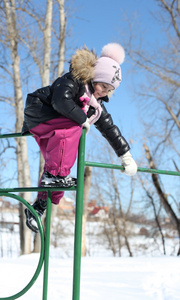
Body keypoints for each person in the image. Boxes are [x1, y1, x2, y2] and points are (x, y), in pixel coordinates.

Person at [22, 43, 137, 233]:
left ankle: (38, 208)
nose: (103, 92)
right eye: (102, 85)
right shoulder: (74, 80)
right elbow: (60, 100)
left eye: (109, 90)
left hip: (55, 127)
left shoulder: (95, 106)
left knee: (58, 168)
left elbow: (110, 129)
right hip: (41, 112)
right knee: (72, 135)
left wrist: (126, 156)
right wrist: (81, 118)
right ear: (94, 77)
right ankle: (53, 177)